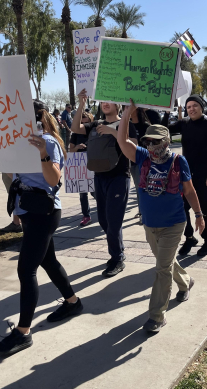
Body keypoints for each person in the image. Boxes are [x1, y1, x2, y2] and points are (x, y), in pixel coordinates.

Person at [0, 100, 81, 356]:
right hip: (28, 210)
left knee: (26, 268)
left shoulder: (48, 142)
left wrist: (42, 154)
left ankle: (23, 333)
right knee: (48, 261)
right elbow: (10, 174)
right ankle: (73, 302)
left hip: (45, 211)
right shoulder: (21, 141)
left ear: (35, 118)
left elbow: (54, 180)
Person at [118, 101, 203, 333]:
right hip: (150, 225)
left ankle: (156, 315)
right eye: (148, 141)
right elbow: (122, 141)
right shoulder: (143, 157)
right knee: (166, 263)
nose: (152, 145)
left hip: (174, 224)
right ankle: (186, 282)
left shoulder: (178, 161)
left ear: (166, 142)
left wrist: (199, 215)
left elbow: (189, 190)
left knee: (162, 268)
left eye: (156, 141)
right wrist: (126, 114)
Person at [72, 90, 138, 277]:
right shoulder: (96, 124)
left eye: (110, 101)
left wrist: (114, 131)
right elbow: (75, 128)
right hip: (99, 177)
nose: (105, 103)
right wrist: (81, 104)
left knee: (113, 221)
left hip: (119, 177)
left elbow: (134, 144)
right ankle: (118, 250)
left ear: (118, 105)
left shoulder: (126, 124)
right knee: (103, 220)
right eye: (102, 101)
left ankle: (116, 258)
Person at [163, 95, 207, 257]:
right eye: (188, 107)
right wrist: (167, 112)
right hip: (185, 173)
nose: (192, 109)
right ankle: (189, 237)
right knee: (181, 207)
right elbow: (163, 129)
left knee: (206, 208)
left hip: (205, 173)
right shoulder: (184, 123)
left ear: (201, 107)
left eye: (195, 105)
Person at [69, 111, 95, 226]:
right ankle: (86, 215)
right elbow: (71, 150)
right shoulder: (75, 134)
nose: (84, 126)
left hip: (93, 164)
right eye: (82, 123)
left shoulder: (94, 132)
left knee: (95, 191)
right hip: (80, 166)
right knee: (82, 193)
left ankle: (105, 208)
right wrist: (78, 147)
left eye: (86, 123)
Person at [130, 107, 152, 223]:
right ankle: (142, 211)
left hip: (145, 162)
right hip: (131, 163)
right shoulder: (125, 125)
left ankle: (145, 212)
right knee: (139, 188)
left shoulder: (146, 126)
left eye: (130, 107)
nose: (127, 109)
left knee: (144, 188)